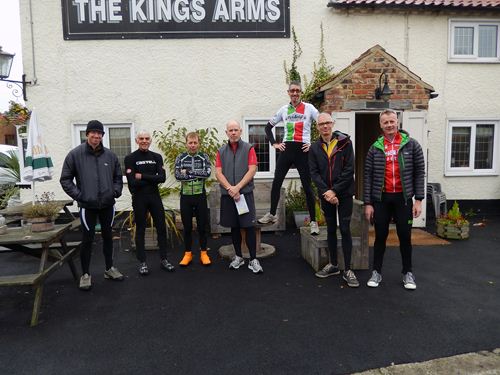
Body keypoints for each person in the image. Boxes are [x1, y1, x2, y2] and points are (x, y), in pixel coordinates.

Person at [364, 109, 425, 290]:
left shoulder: (411, 145)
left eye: (392, 121)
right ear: (380, 125)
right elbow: (367, 175)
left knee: (404, 236)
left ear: (397, 122)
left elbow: (419, 172)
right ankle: (376, 272)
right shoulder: (375, 148)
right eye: (385, 122)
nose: (389, 125)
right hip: (381, 199)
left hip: (403, 199)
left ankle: (408, 273)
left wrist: (419, 200)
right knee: (380, 236)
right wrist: (368, 203)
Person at [60, 120, 124, 290]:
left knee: (108, 237)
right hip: (87, 206)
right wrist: (80, 196)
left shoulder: (110, 156)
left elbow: (118, 177)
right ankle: (86, 274)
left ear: (102, 135)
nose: (96, 136)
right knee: (87, 240)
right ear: (87, 134)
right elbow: (65, 179)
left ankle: (109, 268)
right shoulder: (75, 154)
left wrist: (115, 191)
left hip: (107, 204)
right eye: (93, 133)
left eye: (99, 133)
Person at [258, 80, 320, 235]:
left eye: (297, 90)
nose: (295, 93)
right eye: (292, 90)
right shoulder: (284, 109)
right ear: (288, 92)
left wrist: (314, 144)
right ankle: (272, 214)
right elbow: (267, 127)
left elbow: (324, 123)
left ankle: (313, 222)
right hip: (286, 149)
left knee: (307, 187)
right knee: (276, 182)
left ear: (301, 92)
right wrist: (274, 144)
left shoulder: (309, 108)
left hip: (303, 150)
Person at [309, 112, 359, 287]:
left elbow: (349, 170)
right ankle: (334, 265)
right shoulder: (314, 148)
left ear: (333, 124)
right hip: (326, 195)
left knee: (344, 229)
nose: (325, 126)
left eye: (328, 123)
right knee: (330, 228)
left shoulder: (345, 143)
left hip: (344, 193)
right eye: (321, 124)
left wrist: (335, 191)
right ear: (317, 127)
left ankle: (348, 270)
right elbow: (314, 173)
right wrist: (327, 193)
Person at [124, 130, 175, 275]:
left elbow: (162, 178)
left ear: (150, 140)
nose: (144, 141)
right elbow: (132, 182)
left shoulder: (156, 157)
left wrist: (142, 176)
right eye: (141, 138)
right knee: (140, 229)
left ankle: (164, 259)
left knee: (161, 227)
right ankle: (142, 262)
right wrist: (152, 178)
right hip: (139, 198)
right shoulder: (130, 158)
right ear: (136, 140)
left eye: (147, 138)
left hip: (155, 197)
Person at [215, 120, 263, 274]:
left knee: (248, 226)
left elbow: (252, 169)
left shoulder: (249, 148)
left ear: (241, 131)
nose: (233, 132)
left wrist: (238, 188)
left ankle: (253, 259)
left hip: (244, 195)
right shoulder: (221, 151)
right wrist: (230, 188)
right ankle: (239, 257)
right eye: (231, 130)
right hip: (228, 195)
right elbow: (218, 172)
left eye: (236, 129)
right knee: (234, 227)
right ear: (226, 133)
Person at [174, 132, 212, 266]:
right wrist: (196, 174)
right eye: (190, 143)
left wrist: (189, 172)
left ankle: (203, 253)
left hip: (199, 195)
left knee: (202, 227)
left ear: (199, 143)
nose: (193, 145)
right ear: (186, 144)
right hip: (185, 197)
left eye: (195, 142)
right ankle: (188, 254)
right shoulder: (181, 157)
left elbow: (207, 173)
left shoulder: (204, 157)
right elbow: (178, 176)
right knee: (187, 227)